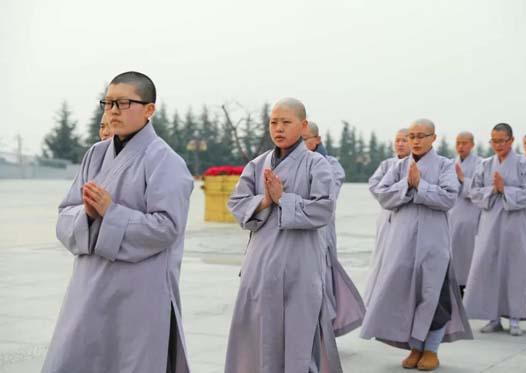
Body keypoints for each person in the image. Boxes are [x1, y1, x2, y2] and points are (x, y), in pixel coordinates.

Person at [42, 71, 194, 373]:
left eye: (122, 103)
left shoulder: (166, 161)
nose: (112, 110)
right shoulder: (95, 156)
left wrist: (112, 212)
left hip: (138, 292)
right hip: (89, 287)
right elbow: (64, 216)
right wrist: (87, 214)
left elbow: (166, 228)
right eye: (108, 102)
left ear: (149, 109)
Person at [225, 98, 342, 372]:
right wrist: (265, 201)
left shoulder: (317, 165)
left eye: (286, 122)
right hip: (260, 267)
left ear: (302, 126)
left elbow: (324, 210)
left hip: (300, 267)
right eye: (273, 122)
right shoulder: (256, 165)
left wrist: (283, 199)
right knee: (257, 338)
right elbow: (237, 203)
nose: (278, 128)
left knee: (298, 341)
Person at [360, 119, 472, 371]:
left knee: (434, 296)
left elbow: (448, 197)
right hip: (402, 243)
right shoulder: (399, 166)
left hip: (434, 244)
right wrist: (407, 185)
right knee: (406, 296)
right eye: (412, 136)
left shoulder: (445, 165)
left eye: (422, 136)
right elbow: (381, 194)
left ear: (434, 138)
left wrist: (419, 185)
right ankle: (415, 347)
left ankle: (431, 349)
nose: (416, 141)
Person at [464, 123, 526, 336]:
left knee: (515, 268)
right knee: (489, 268)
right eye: (494, 141)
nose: (497, 145)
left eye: (501, 141)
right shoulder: (486, 164)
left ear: (511, 140)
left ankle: (515, 319)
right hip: (489, 225)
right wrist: (494, 190)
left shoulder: (525, 164)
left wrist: (504, 190)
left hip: (515, 225)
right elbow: (474, 191)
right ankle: (493, 317)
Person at [302, 121, 366, 337]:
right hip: (292, 237)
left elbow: (323, 198)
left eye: (304, 139)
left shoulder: (331, 165)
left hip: (320, 235)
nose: (299, 144)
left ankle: (323, 334)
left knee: (322, 282)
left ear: (317, 140)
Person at [362, 128, 409, 306]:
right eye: (397, 140)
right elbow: (375, 186)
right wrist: (396, 193)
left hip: (406, 219)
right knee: (382, 259)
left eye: (404, 140)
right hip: (386, 216)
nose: (400, 144)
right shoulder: (387, 164)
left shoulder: (415, 165)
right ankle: (376, 303)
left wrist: (395, 191)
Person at [448, 132, 482, 296]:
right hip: (453, 215)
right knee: (453, 252)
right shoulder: (449, 163)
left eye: (464, 143)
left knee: (470, 253)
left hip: (471, 215)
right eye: (458, 143)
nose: (461, 147)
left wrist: (463, 179)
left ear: (472, 145)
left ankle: (472, 288)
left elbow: (481, 191)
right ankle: (456, 288)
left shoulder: (480, 164)